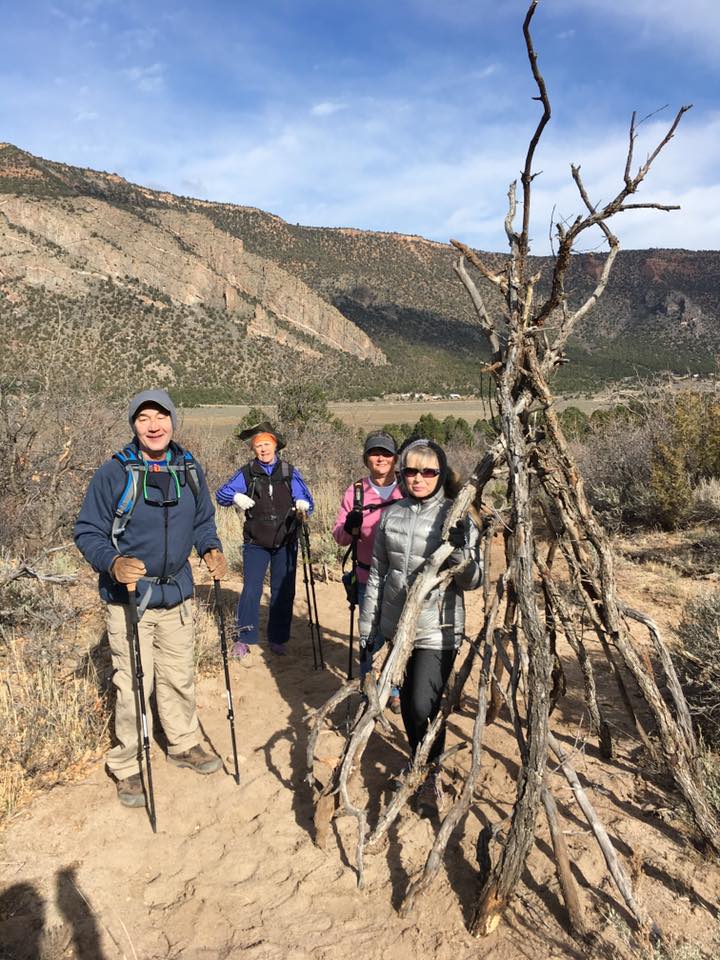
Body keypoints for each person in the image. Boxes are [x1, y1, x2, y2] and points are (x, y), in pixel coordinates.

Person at [74, 389, 228, 809]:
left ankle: (182, 743)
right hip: (130, 599)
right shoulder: (114, 473)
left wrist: (210, 548)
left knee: (179, 675)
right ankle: (127, 763)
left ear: (173, 421)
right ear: (133, 425)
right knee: (132, 685)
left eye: (161, 416)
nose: (154, 425)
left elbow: (202, 520)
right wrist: (113, 562)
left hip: (177, 593)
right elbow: (87, 530)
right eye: (143, 418)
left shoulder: (188, 467)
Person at [358, 438, 482, 815]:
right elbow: (378, 574)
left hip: (438, 627)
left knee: (421, 703)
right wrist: (369, 627)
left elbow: (474, 580)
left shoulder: (455, 516)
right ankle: (420, 762)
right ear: (402, 474)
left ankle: (430, 775)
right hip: (399, 627)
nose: (419, 478)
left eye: (428, 471)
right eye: (411, 470)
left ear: (441, 475)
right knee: (411, 707)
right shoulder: (391, 515)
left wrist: (460, 551)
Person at [215, 421, 313, 658]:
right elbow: (221, 494)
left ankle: (278, 638)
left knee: (283, 590)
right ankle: (243, 638)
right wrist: (235, 496)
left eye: (267, 444)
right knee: (251, 589)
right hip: (256, 541)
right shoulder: (247, 472)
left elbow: (306, 499)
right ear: (253, 449)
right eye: (258, 445)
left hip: (286, 540)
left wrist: (303, 505)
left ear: (275, 446)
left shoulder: (288, 471)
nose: (263, 449)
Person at [332, 431, 404, 712]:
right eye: (375, 453)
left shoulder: (408, 486)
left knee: (398, 632)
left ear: (395, 459)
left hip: (402, 576)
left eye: (386, 454)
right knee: (369, 636)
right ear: (366, 459)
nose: (381, 459)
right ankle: (369, 688)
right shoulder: (356, 492)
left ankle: (395, 689)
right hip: (366, 577)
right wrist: (349, 528)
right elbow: (339, 536)